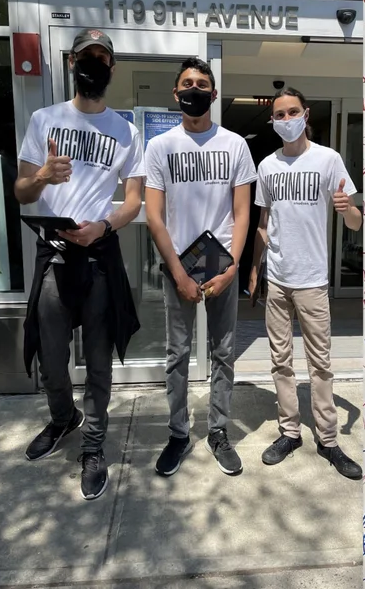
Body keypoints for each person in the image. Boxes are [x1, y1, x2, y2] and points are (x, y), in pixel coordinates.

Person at [15, 28, 143, 501]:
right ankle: (63, 416)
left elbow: (133, 202)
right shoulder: (44, 119)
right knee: (50, 352)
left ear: (111, 68)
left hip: (99, 252)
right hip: (54, 249)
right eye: (87, 56)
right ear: (72, 63)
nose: (94, 64)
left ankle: (93, 446)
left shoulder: (126, 131)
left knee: (99, 359)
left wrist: (103, 227)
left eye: (102, 57)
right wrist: (42, 175)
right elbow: (22, 192)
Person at [144, 57, 257, 477]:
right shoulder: (160, 147)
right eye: (187, 83)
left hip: (221, 265)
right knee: (178, 355)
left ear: (213, 93)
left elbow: (243, 213)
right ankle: (178, 434)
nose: (195, 89)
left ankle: (219, 431)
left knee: (224, 353)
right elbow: (155, 216)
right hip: (179, 266)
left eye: (202, 83)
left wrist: (233, 268)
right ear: (176, 94)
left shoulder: (235, 145)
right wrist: (176, 272)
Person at [249, 88, 364, 480]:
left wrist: (349, 211)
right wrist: (255, 268)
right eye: (279, 114)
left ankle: (329, 441)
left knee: (321, 365)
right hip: (277, 280)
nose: (286, 119)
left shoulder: (328, 160)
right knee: (280, 361)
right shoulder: (267, 166)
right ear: (273, 121)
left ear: (305, 114)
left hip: (312, 280)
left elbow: (355, 221)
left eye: (292, 112)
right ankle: (289, 432)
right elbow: (264, 225)